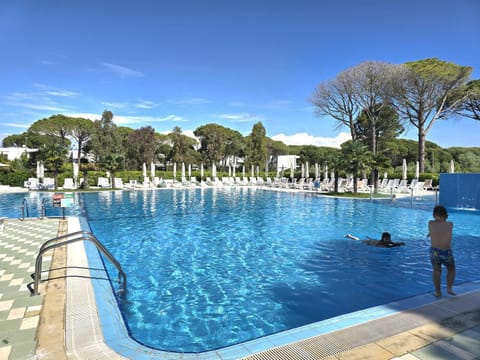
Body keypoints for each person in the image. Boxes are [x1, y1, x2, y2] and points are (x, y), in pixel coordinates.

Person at [428, 205, 456, 297]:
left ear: (434, 215)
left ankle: (438, 292)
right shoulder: (450, 224)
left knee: (436, 270)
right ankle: (449, 288)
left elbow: (436, 226)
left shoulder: (431, 223)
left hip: (434, 252)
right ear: (446, 216)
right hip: (446, 251)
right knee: (451, 269)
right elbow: (443, 226)